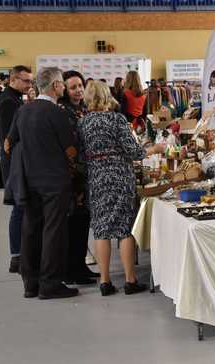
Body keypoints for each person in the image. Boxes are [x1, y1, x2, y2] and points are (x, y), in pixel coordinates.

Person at [78, 81, 165, 296]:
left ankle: (105, 281)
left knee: (101, 229)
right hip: (119, 176)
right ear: (107, 96)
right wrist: (154, 148)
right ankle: (130, 280)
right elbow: (134, 152)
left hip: (96, 176)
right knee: (125, 229)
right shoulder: (116, 119)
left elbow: (80, 154)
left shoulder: (83, 123)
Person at [5, 67, 78, 299]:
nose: (65, 88)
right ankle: (50, 283)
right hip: (54, 180)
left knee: (30, 229)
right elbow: (71, 149)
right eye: (63, 85)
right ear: (56, 86)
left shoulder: (23, 110)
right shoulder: (57, 113)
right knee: (54, 231)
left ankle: (30, 283)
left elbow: (8, 144)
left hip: (30, 179)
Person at [58, 71, 99, 285]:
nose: (78, 90)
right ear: (64, 89)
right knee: (73, 224)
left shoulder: (83, 108)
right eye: (73, 87)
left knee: (83, 222)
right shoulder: (64, 111)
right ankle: (71, 269)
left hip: (85, 174)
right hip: (72, 175)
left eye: (80, 85)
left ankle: (80, 266)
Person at [0, 65, 32, 273]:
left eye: (30, 81)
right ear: (13, 80)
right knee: (18, 209)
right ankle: (16, 255)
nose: (29, 84)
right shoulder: (8, 102)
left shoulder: (13, 99)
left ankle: (19, 253)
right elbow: (11, 137)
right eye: (25, 81)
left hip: (16, 162)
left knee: (21, 208)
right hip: (14, 163)